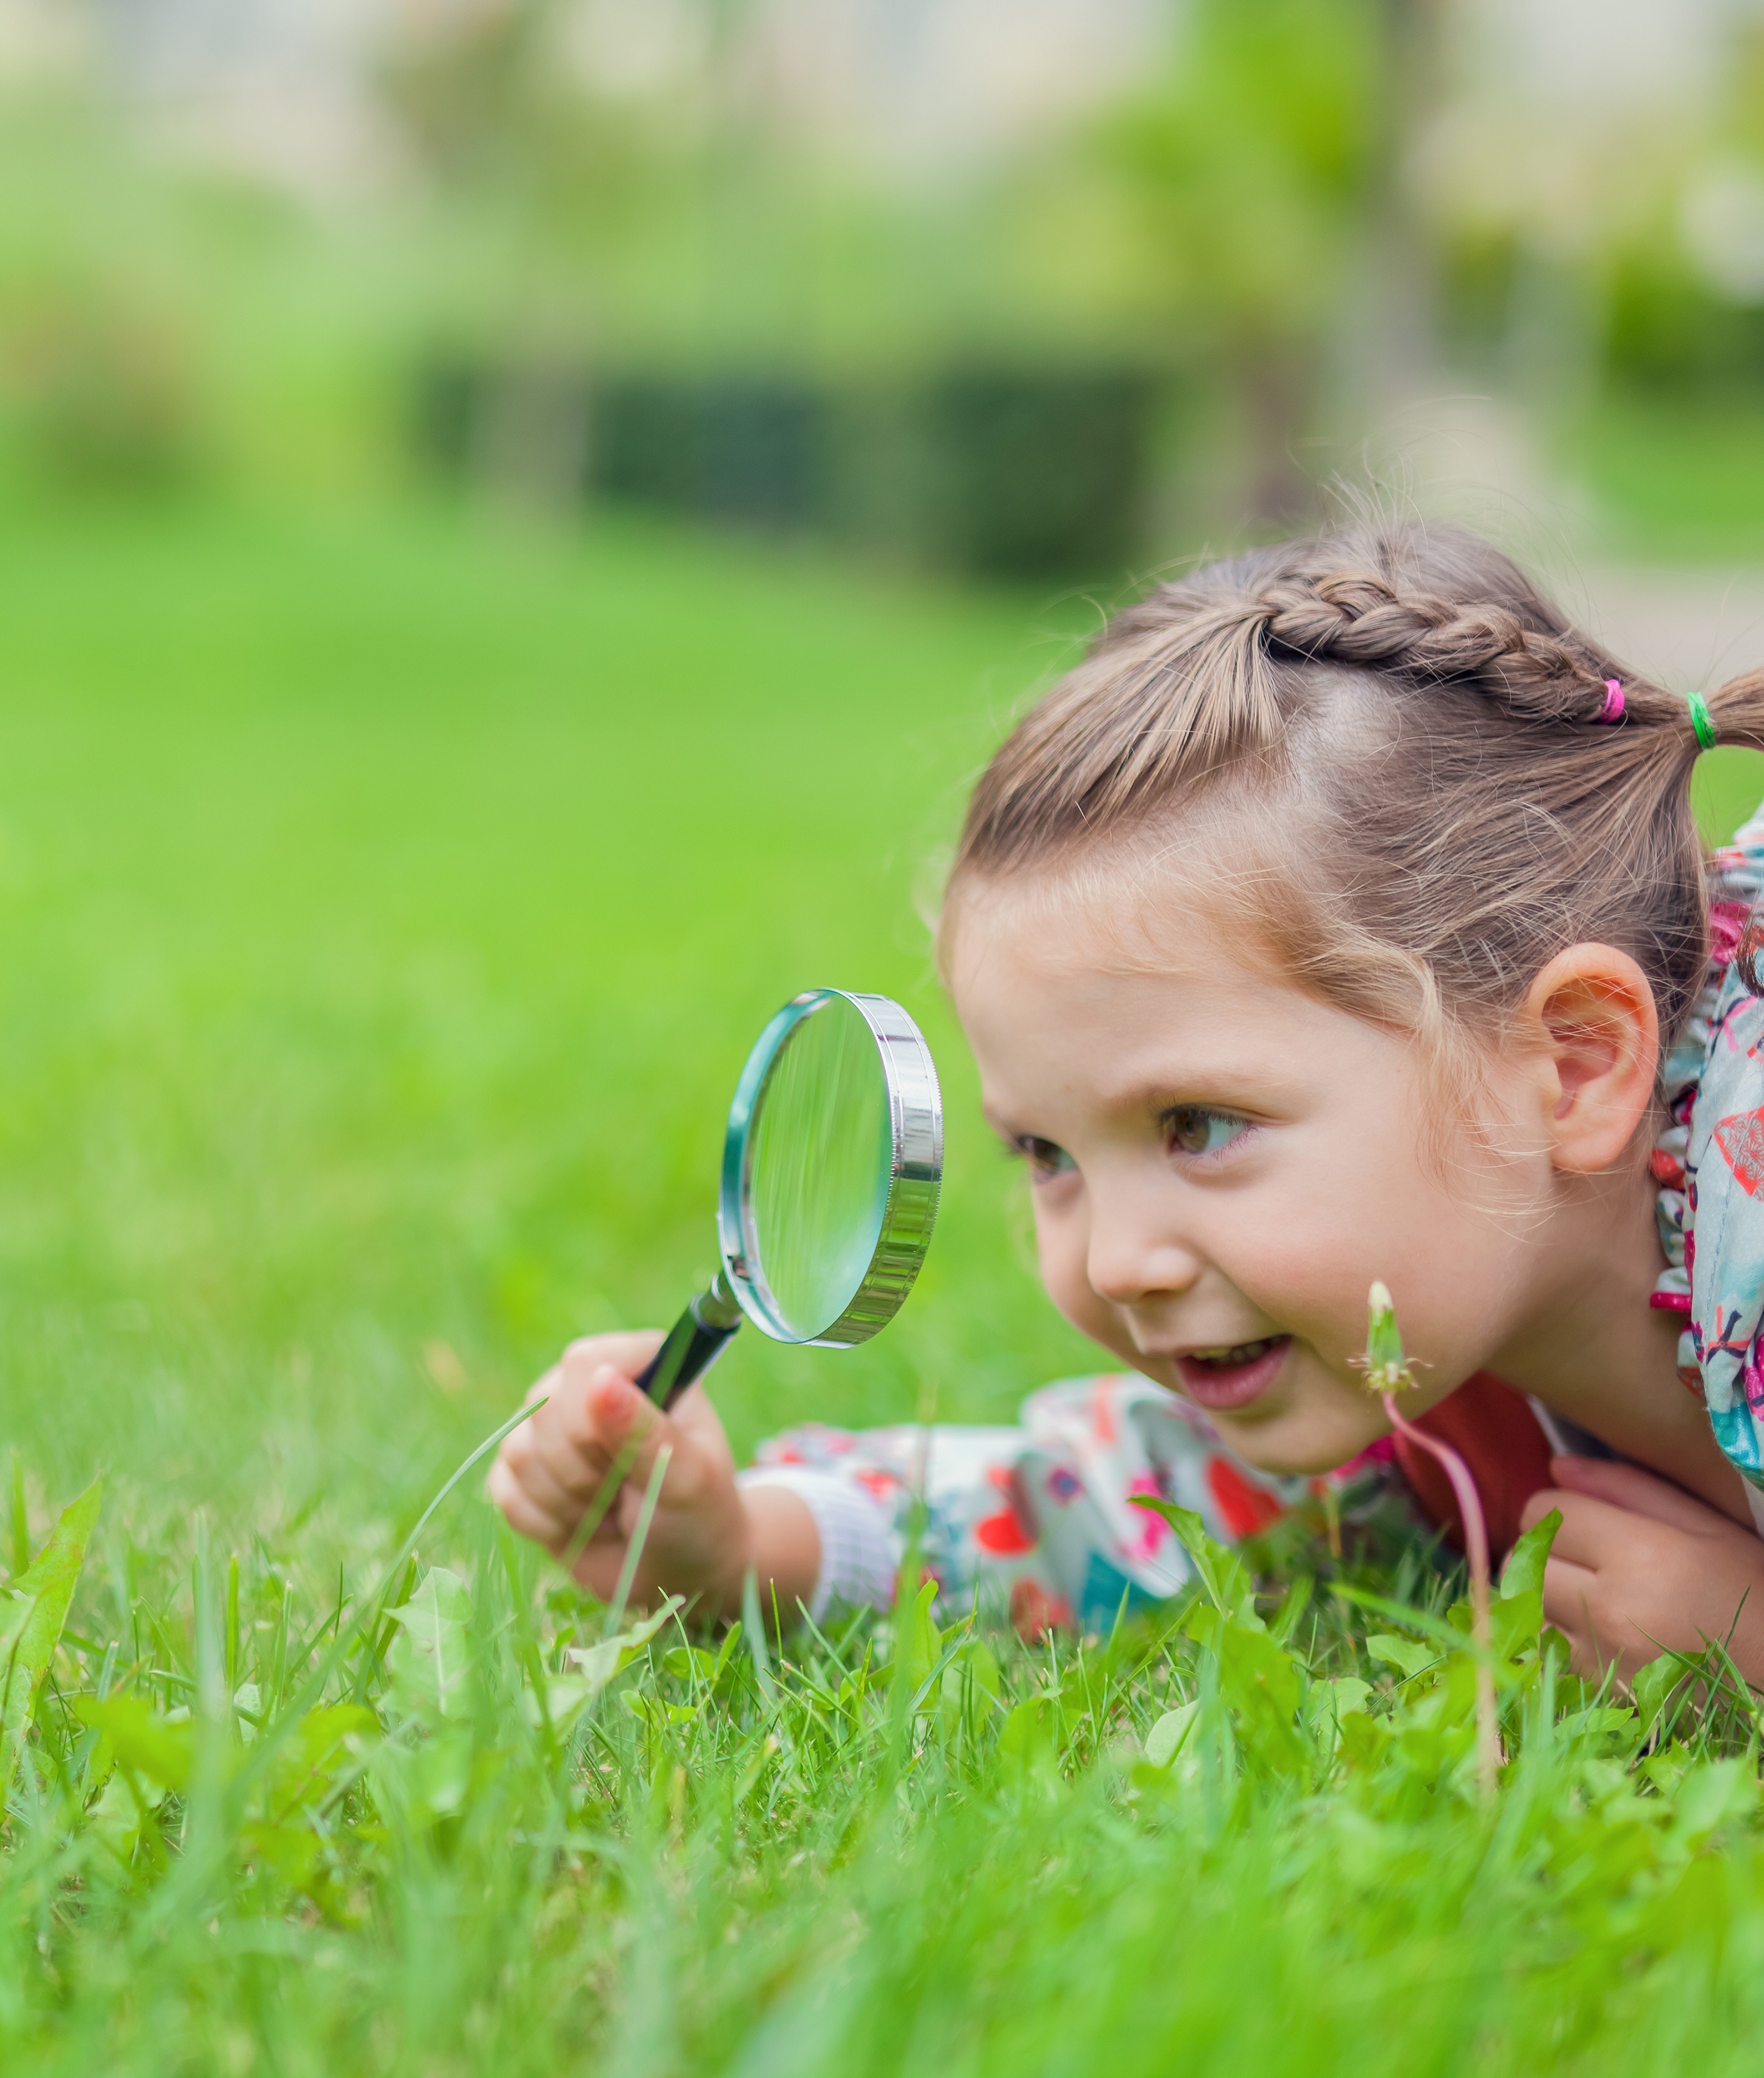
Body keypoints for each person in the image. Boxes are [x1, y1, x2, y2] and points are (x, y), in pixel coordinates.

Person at [488, 523, 1764, 1687]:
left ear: (1574, 1065)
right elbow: (1129, 1501)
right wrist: (739, 1544)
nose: (1113, 1260)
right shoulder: (1410, 1341)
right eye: (1046, 1152)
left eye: (1197, 1125)